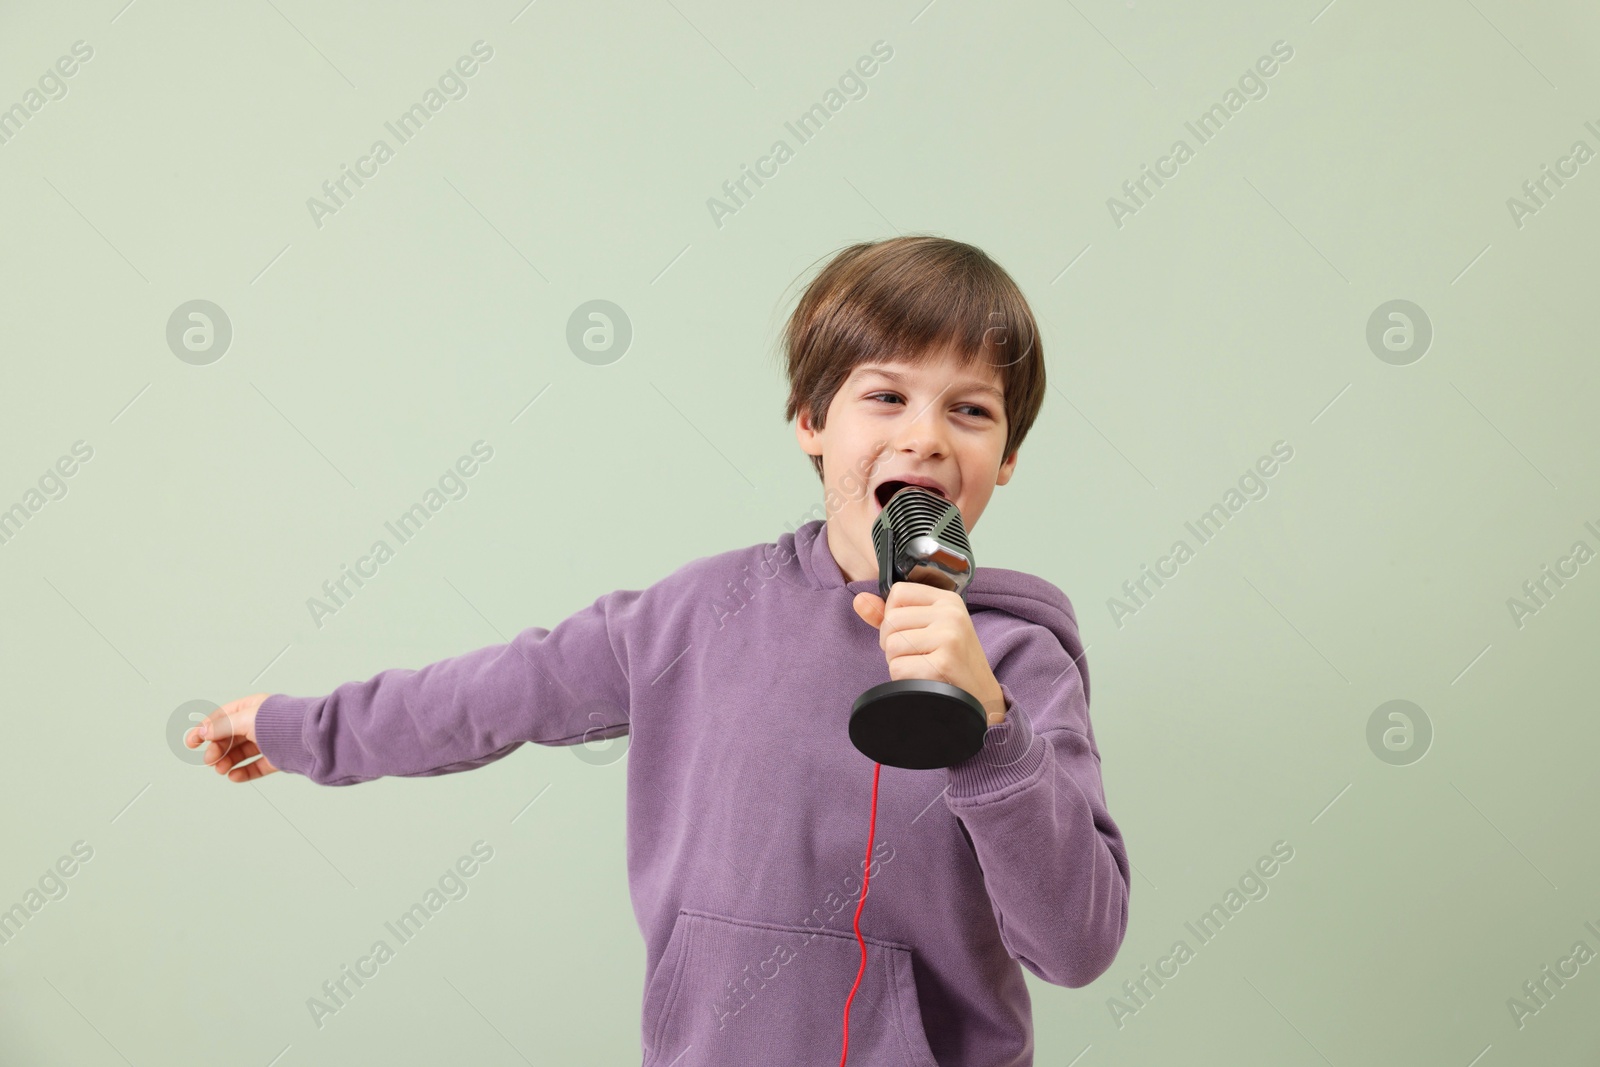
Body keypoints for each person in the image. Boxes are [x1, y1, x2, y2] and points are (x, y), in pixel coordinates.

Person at [186, 234, 1130, 1066]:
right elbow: (492, 693)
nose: (925, 437)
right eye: (886, 396)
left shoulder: (1019, 659)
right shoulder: (696, 616)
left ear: (1006, 456)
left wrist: (991, 733)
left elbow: (1077, 943)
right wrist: (299, 728)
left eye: (971, 411)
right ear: (811, 419)